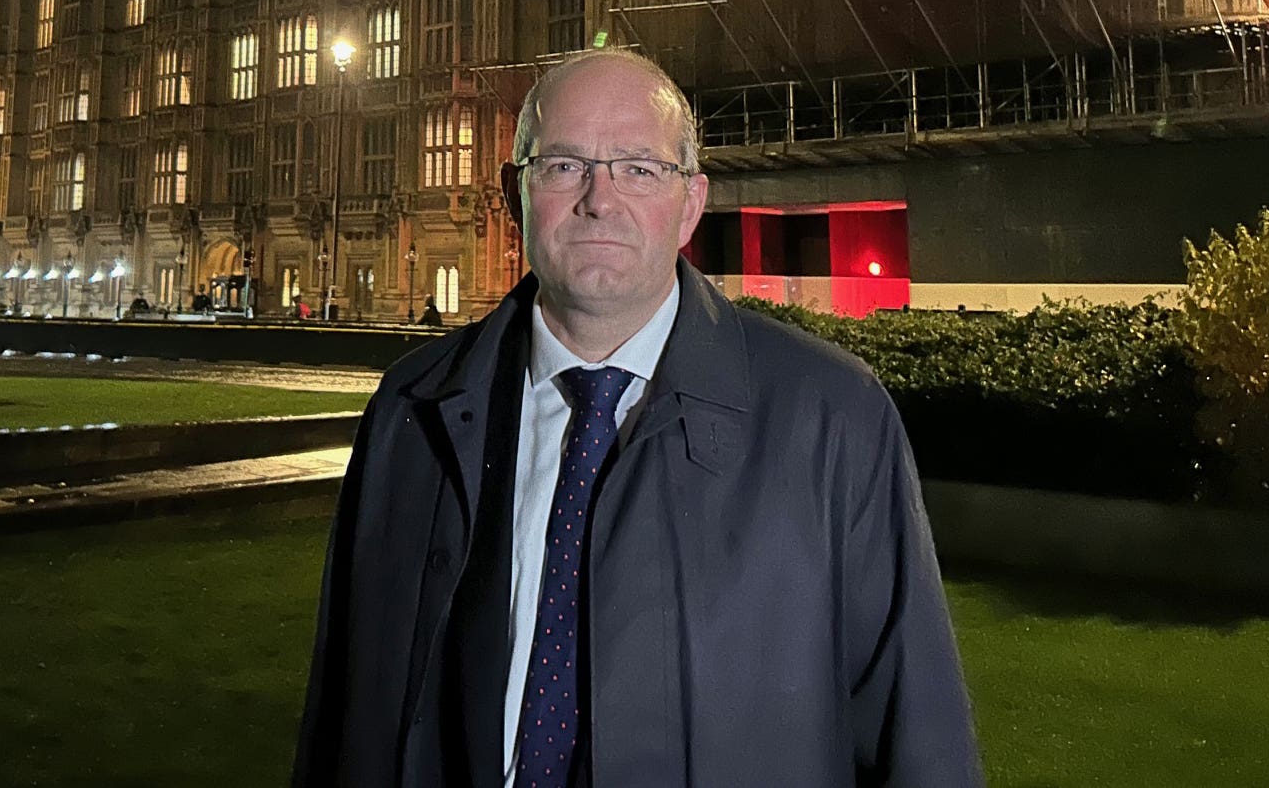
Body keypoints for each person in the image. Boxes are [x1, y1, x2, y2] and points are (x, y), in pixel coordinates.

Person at [293, 50, 981, 787]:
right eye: (563, 165)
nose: (599, 197)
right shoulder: (409, 413)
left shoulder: (835, 418)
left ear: (691, 203)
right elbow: (342, 720)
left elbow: (920, 738)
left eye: (639, 168)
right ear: (512, 192)